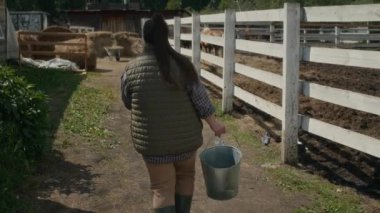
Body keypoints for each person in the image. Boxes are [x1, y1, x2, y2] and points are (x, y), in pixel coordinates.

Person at [121, 14, 226, 213]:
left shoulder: (130, 69)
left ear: (145, 37)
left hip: (154, 143)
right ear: (166, 36)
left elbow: (128, 102)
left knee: (161, 189)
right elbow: (200, 99)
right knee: (185, 178)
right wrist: (214, 124)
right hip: (185, 141)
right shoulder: (183, 65)